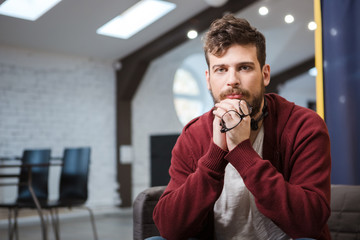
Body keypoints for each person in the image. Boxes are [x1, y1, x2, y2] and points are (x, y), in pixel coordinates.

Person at [152, 14, 331, 240]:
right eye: (221, 69)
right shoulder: (194, 134)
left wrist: (242, 152)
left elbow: (310, 222)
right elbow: (169, 227)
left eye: (244, 67)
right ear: (208, 79)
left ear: (265, 74)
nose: (232, 80)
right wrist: (215, 155)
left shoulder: (304, 125)